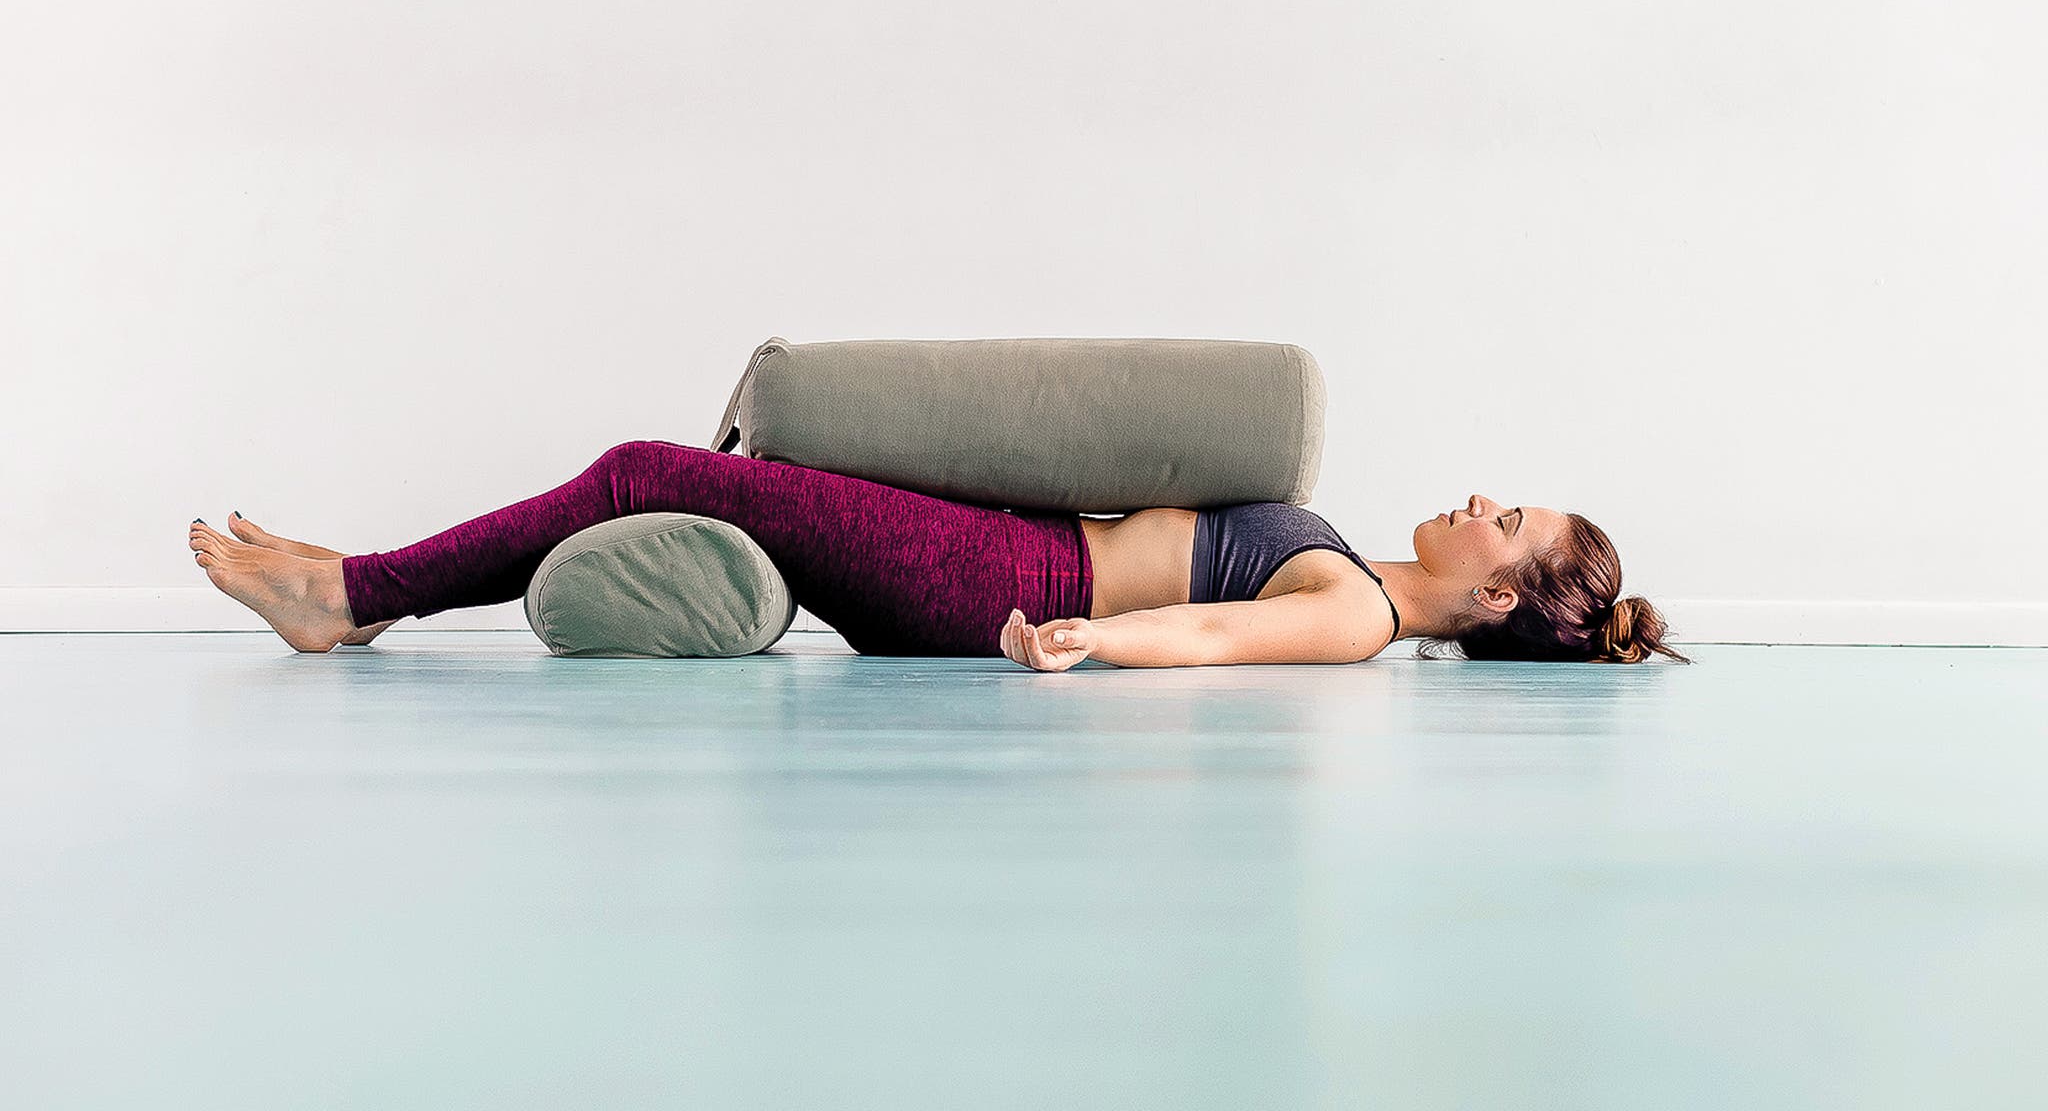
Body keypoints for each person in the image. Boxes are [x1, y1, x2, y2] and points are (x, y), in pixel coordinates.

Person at [187, 439, 1690, 668]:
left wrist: (1086, 644)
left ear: (1498, 592)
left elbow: (1223, 645)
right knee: (722, 472)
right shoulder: (1353, 556)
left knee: (652, 468)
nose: (1486, 497)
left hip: (1004, 590)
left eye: (1512, 521)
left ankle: (352, 596)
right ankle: (372, 579)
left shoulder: (1357, 615)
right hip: (1013, 551)